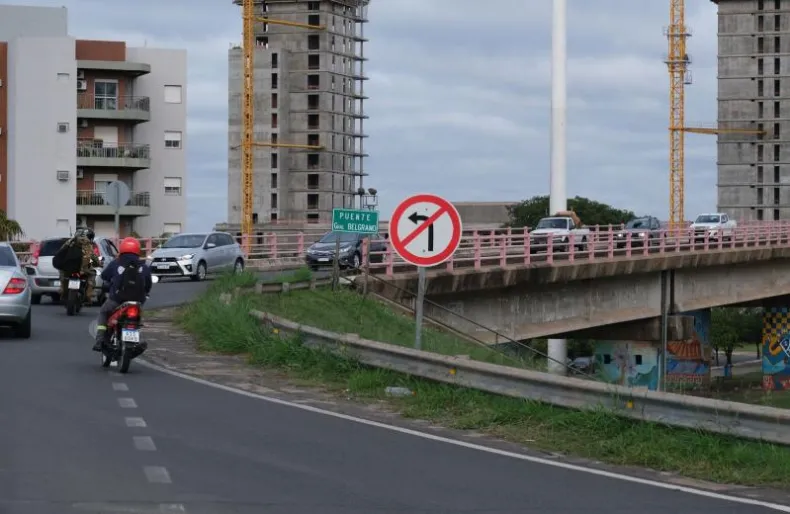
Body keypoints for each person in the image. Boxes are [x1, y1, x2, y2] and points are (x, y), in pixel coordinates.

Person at [93, 237, 153, 351]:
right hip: (138, 301)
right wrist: (145, 294)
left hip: (117, 299)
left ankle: (99, 340)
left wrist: (111, 283)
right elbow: (148, 285)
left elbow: (104, 276)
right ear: (138, 250)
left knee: (104, 312)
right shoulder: (143, 266)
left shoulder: (116, 263)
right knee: (137, 319)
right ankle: (136, 340)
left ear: (122, 249)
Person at [57, 227, 100, 304]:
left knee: (62, 273)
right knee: (93, 274)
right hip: (82, 270)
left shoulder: (69, 242)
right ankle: (89, 294)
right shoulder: (87, 245)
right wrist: (98, 263)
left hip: (68, 269)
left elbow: (61, 252)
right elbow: (93, 257)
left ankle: (62, 289)